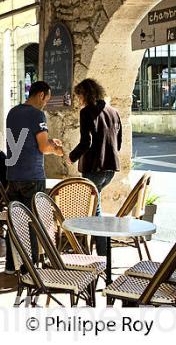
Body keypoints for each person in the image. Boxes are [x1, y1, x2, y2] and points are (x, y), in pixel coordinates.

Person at [5, 81, 64, 274]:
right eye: (47, 98)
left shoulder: (12, 112)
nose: (46, 102)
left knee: (14, 220)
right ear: (41, 95)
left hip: (13, 175)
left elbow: (24, 142)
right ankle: (28, 267)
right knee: (32, 221)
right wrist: (55, 149)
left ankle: (10, 264)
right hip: (32, 174)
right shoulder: (37, 114)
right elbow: (42, 147)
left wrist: (48, 142)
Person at [67, 79, 122, 257]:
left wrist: (71, 157)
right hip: (111, 168)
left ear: (86, 94)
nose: (79, 100)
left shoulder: (86, 113)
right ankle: (94, 248)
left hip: (93, 168)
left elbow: (86, 142)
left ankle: (103, 254)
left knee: (95, 211)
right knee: (95, 207)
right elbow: (118, 142)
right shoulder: (114, 112)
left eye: (79, 95)